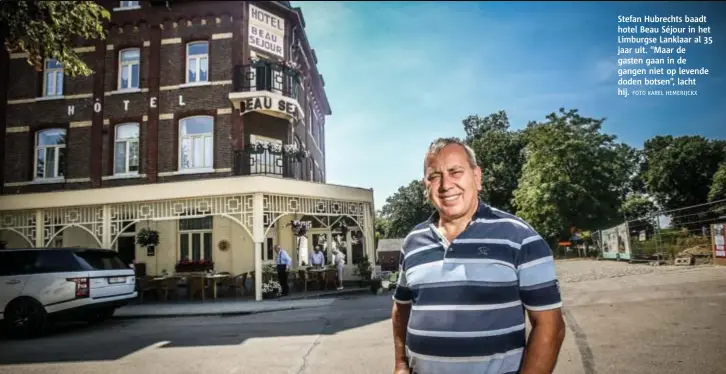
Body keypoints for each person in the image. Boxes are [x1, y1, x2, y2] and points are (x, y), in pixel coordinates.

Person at [391, 137, 566, 374]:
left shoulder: (520, 237)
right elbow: (401, 308)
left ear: (477, 177)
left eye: (455, 172)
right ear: (426, 186)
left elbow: (550, 325)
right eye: (435, 176)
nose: (445, 185)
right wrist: (401, 364)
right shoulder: (413, 242)